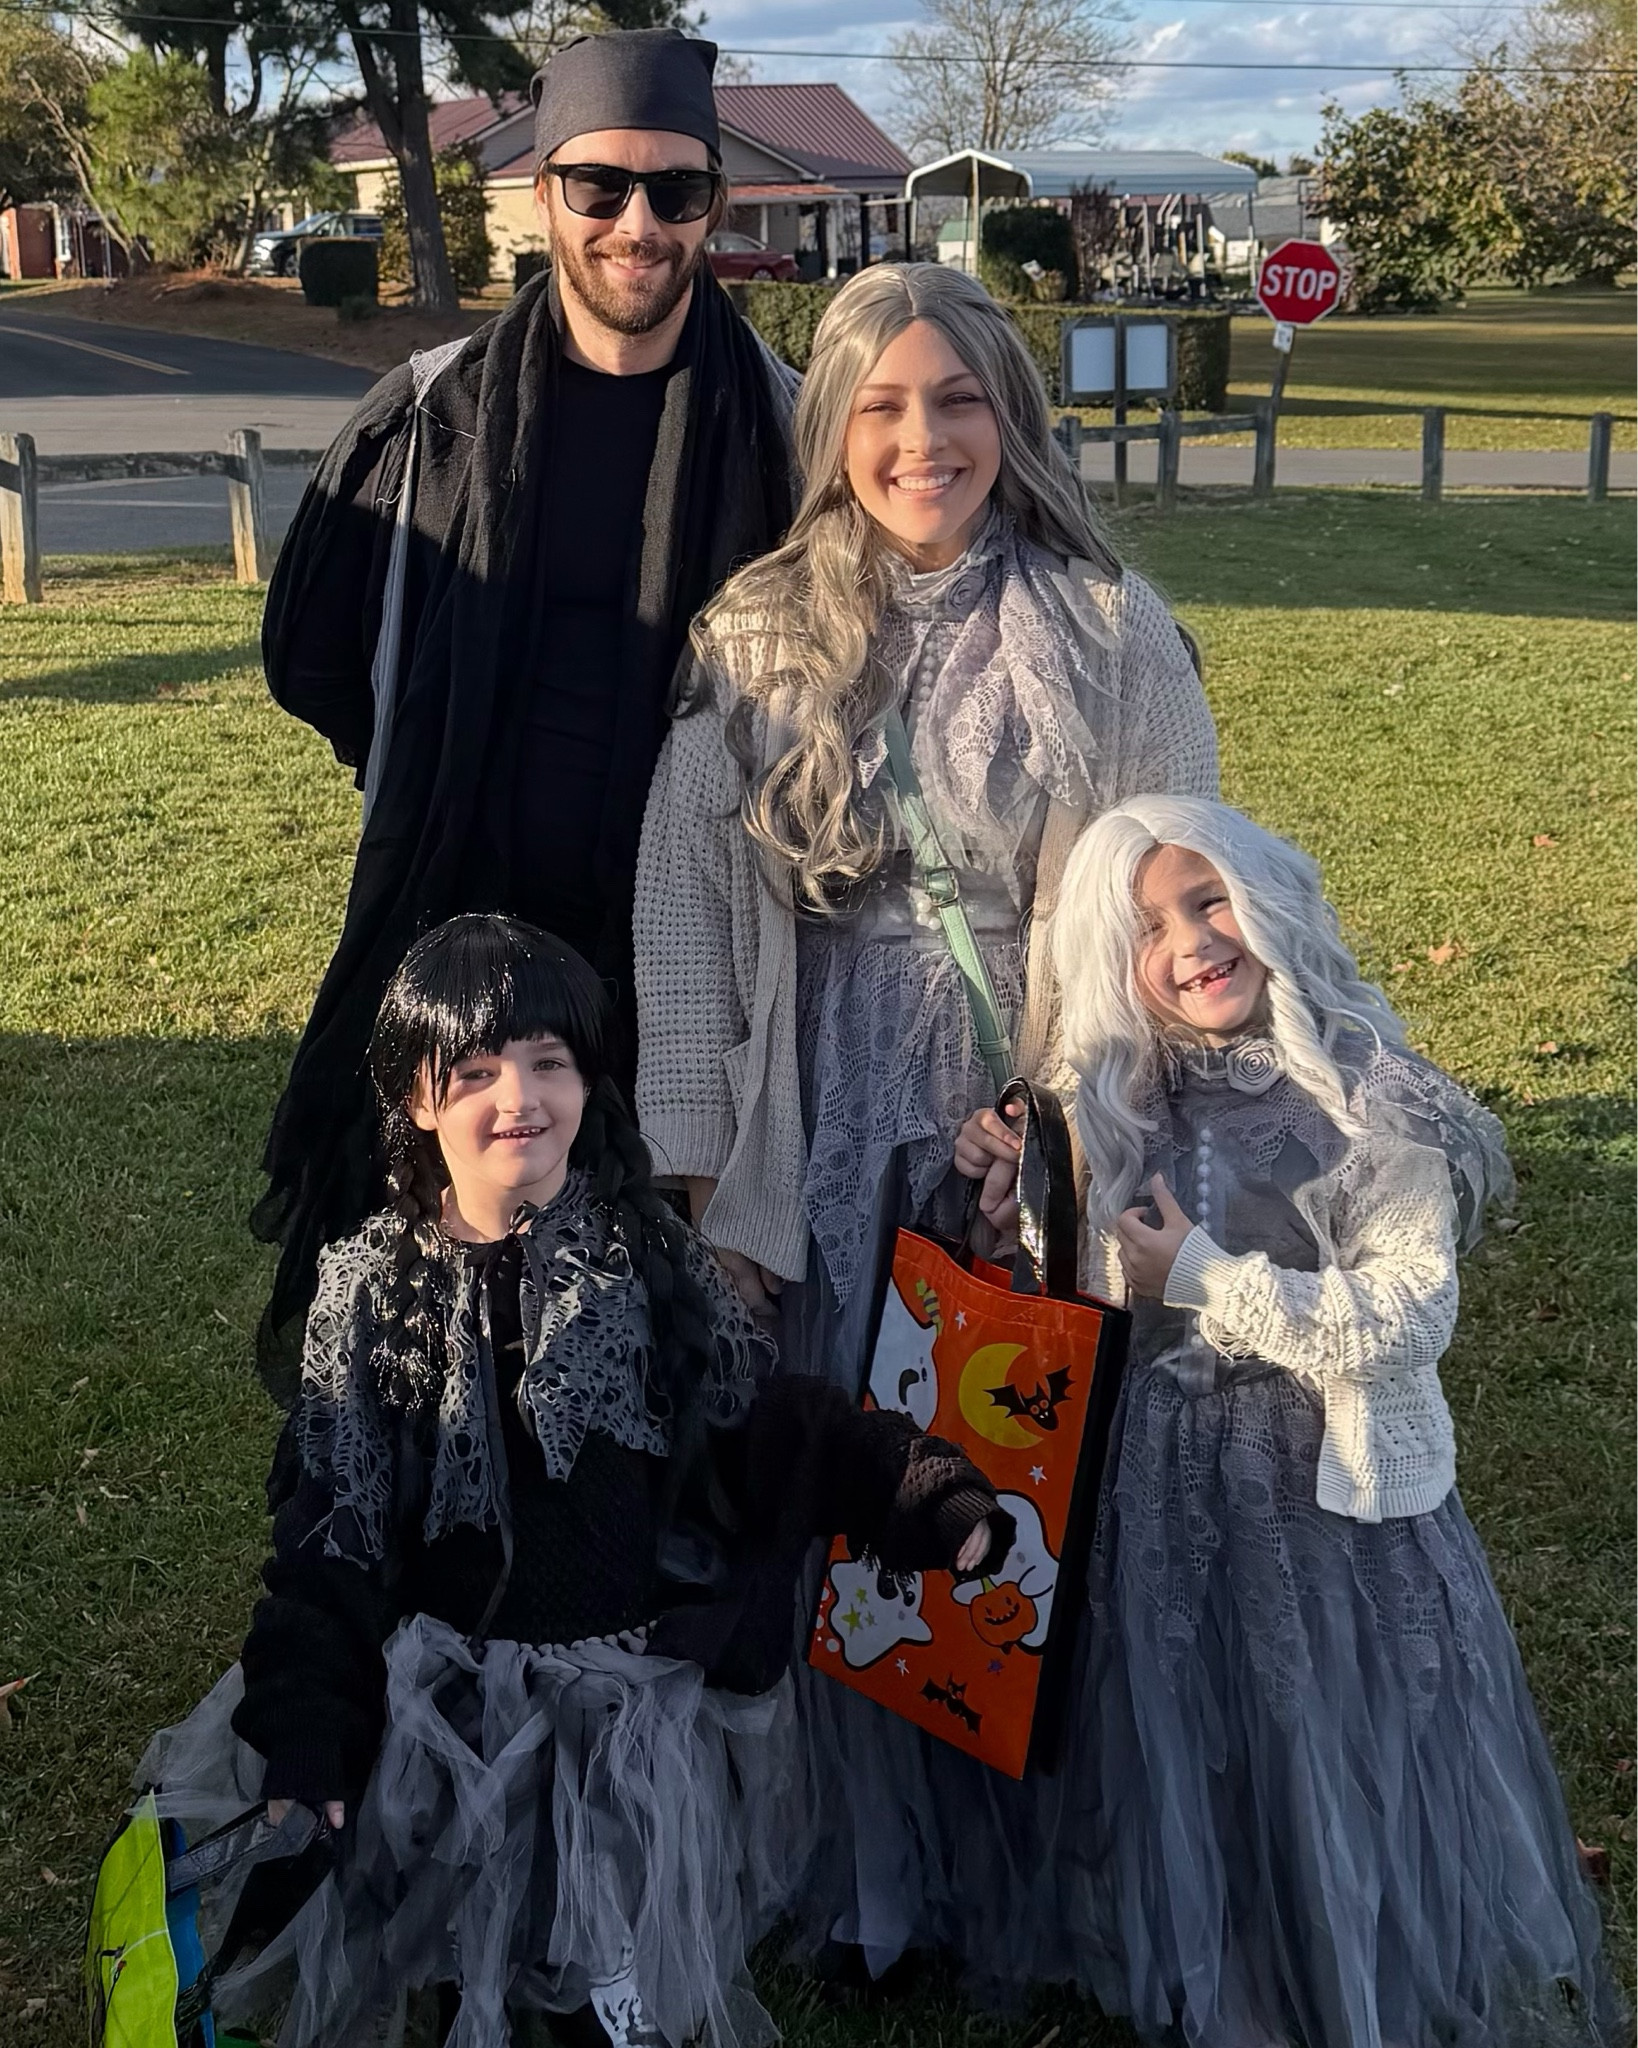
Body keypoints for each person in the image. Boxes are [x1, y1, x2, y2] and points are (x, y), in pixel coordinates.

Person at [136, 914, 1006, 2048]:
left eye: (552, 1063)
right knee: (459, 1960)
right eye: (478, 1071)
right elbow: (331, 1537)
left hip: (625, 1714)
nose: (520, 1098)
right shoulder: (370, 1291)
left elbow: (778, 1431)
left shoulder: (646, 1259)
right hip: (445, 1716)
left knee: (604, 1971)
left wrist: (921, 1490)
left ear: (592, 1084)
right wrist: (310, 1729)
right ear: (416, 1098)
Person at [952, 794, 1620, 2045]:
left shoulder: (1373, 1103)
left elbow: (1403, 1319)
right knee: (1199, 1740)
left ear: (1269, 901)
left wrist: (1208, 1275)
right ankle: (1238, 1967)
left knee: (1332, 1736)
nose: (1193, 941)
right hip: (1164, 1489)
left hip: (1333, 1498)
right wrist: (1018, 1184)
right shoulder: (1120, 1094)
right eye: (1151, 925)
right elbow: (1090, 1283)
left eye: (1211, 901)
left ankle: (1360, 1975)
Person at [252, 28, 798, 1401]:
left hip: (692, 933)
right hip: (463, 917)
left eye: (676, 193)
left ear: (713, 205)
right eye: (597, 186)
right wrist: (428, 769)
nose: (636, 224)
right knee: (439, 1309)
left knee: (674, 1295)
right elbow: (311, 652)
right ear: (539, 191)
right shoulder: (425, 420)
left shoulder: (788, 431)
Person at [634, 260, 1216, 1360]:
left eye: (959, 399)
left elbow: (1175, 901)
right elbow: (685, 928)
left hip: (1035, 1085)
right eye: (883, 407)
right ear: (834, 429)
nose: (924, 441)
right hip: (818, 1103)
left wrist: (1066, 1126)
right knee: (842, 1435)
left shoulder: (1110, 627)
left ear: (1009, 411)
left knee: (1013, 1436)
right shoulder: (758, 636)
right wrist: (717, 1185)